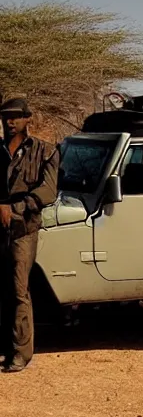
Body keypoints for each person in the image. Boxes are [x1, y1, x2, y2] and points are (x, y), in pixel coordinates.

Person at [0, 98, 59, 373]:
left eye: (15, 117)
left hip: (24, 227)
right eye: (6, 117)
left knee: (19, 289)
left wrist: (15, 208)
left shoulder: (44, 151)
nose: (10, 122)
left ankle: (20, 352)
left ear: (27, 119)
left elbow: (48, 191)